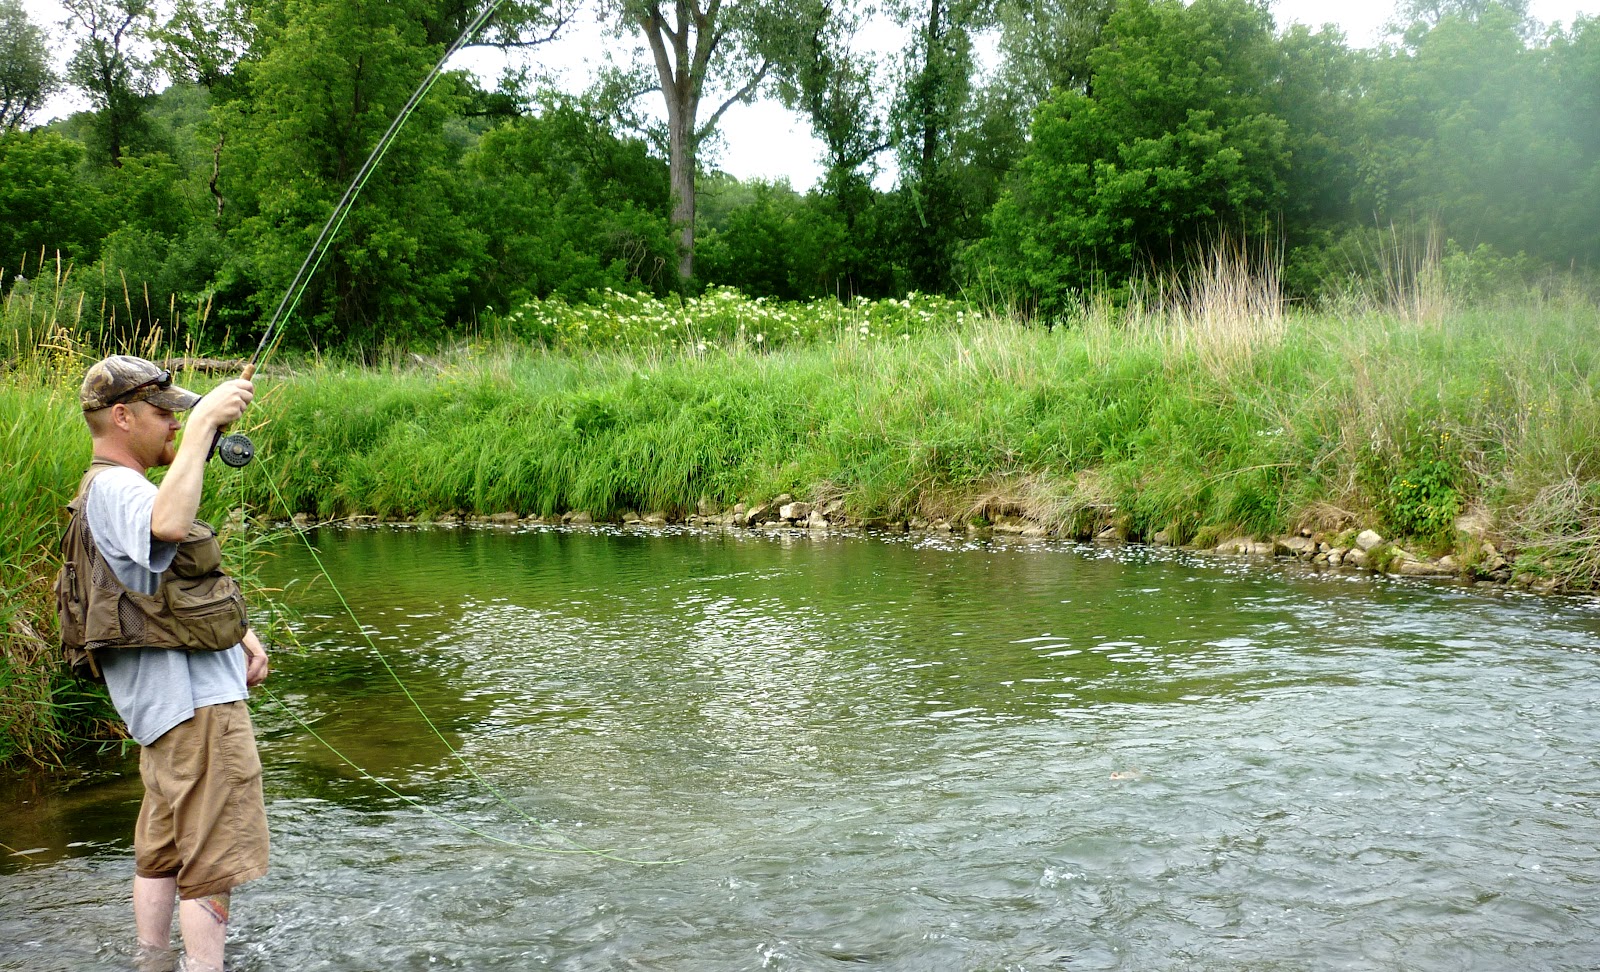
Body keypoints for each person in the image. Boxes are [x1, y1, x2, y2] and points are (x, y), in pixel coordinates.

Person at [59, 355, 268, 972]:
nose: (174, 425)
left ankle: (151, 962)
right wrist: (206, 423)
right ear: (121, 417)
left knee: (164, 850)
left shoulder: (108, 489)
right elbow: (170, 525)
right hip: (196, 712)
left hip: (164, 712)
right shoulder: (121, 488)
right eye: (164, 413)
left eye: (181, 416)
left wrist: (240, 635)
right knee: (214, 857)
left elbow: (152, 591)